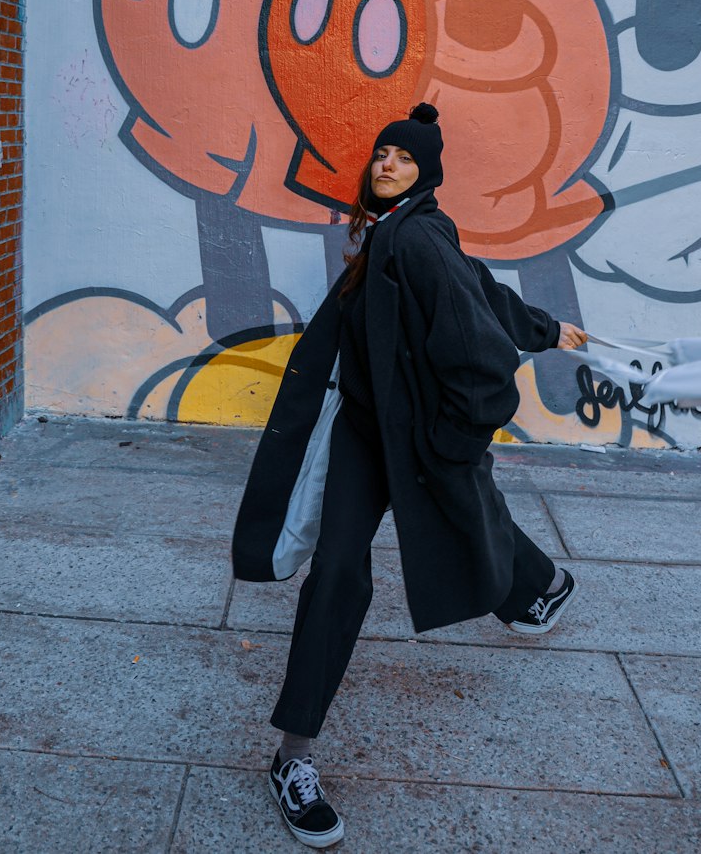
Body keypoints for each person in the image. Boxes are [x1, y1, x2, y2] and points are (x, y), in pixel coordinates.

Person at [232, 103, 588, 849]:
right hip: (370, 433)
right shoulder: (404, 230)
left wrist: (458, 436)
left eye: (403, 156)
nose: (386, 164)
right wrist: (547, 327)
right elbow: (483, 289)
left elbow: (478, 346)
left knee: (465, 505)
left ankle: (539, 585)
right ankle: (293, 758)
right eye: (381, 153)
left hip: (419, 434)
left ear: (427, 170)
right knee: (340, 570)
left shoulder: (415, 237)